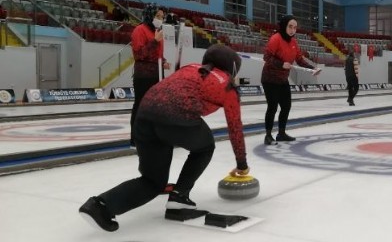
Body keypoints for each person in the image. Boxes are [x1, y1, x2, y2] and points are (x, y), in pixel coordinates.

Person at [79, 45, 250, 232]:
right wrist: (242, 164)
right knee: (205, 146)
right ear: (233, 68)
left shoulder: (191, 67)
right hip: (176, 118)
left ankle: (99, 205)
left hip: (143, 117)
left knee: (152, 181)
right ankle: (179, 196)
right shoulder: (227, 86)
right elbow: (235, 129)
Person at [261, 15, 320, 145]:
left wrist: (312, 68)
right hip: (270, 79)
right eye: (290, 26)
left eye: (295, 27)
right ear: (284, 26)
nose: (293, 30)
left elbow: (299, 59)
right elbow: (266, 57)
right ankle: (268, 135)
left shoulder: (293, 42)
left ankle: (281, 133)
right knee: (272, 107)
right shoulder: (275, 39)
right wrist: (281, 64)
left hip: (282, 79)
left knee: (286, 106)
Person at [129, 4, 170, 147]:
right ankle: (135, 139)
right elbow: (139, 54)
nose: (161, 19)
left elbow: (156, 54)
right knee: (140, 106)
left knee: (157, 107)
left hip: (158, 75)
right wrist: (154, 41)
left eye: (162, 17)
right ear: (149, 15)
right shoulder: (139, 30)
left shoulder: (157, 32)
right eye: (158, 16)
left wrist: (164, 61)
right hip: (144, 76)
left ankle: (153, 136)